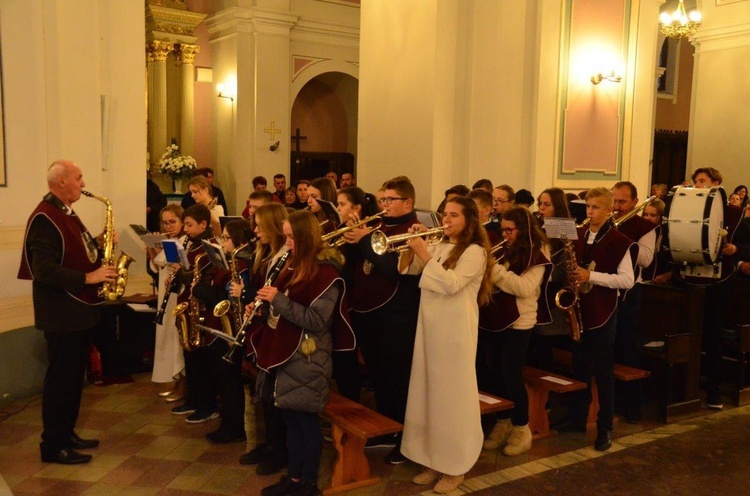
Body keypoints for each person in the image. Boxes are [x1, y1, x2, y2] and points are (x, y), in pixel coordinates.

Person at [18, 160, 118, 465]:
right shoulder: (45, 218)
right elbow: (44, 269)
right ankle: (53, 445)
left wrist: (100, 243)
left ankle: (66, 433)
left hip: (77, 311)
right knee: (61, 380)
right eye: (78, 178)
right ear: (61, 182)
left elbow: (77, 253)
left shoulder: (65, 213)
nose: (83, 184)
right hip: (62, 314)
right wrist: (89, 278)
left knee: (74, 379)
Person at [252, 210, 354, 496]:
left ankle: (308, 483)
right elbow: (283, 307)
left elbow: (317, 321)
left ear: (307, 238)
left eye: (292, 237)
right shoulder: (294, 265)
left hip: (308, 357)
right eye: (285, 236)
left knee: (305, 423)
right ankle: (294, 478)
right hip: (287, 351)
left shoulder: (327, 273)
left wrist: (278, 300)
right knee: (291, 421)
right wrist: (262, 309)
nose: (287, 242)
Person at [399, 196, 493, 494]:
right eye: (445, 214)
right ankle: (433, 459)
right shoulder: (440, 243)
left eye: (454, 215)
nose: (447, 220)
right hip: (430, 327)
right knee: (429, 393)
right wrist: (410, 247)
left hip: (455, 333)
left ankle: (456, 466)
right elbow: (411, 271)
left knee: (452, 399)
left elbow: (451, 284)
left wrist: (425, 254)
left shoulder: (475, 251)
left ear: (469, 220)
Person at [341, 177, 421, 464]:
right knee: (379, 378)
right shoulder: (378, 226)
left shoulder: (412, 231)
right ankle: (387, 429)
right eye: (382, 199)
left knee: (398, 380)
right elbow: (355, 265)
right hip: (368, 313)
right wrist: (352, 236)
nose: (384, 205)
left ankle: (406, 439)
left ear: (408, 202)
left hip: (396, 315)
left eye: (390, 200)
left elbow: (393, 269)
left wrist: (363, 240)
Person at [553, 187, 636, 452]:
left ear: (610, 209)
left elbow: (627, 280)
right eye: (588, 207)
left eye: (596, 207)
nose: (590, 212)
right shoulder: (577, 234)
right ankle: (578, 418)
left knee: (602, 371)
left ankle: (604, 428)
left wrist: (591, 277)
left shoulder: (619, 240)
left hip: (602, 313)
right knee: (579, 367)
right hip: (579, 308)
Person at [655, 167, 746, 409]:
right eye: (695, 181)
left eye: (703, 181)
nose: (697, 185)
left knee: (713, 335)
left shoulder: (735, 214)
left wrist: (735, 250)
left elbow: (747, 246)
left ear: (716, 184)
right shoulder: (683, 207)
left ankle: (714, 390)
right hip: (688, 280)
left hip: (718, 282)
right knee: (687, 335)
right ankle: (684, 389)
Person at [479, 206, 551, 457]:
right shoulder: (505, 248)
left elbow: (524, 288)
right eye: (503, 230)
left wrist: (494, 269)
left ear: (523, 230)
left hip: (520, 321)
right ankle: (503, 422)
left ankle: (522, 428)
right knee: (495, 372)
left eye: (510, 230)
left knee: (511, 374)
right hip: (494, 318)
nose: (505, 235)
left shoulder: (538, 253)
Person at [239, 203, 290, 474]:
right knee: (264, 393)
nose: (256, 230)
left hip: (278, 331)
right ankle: (269, 443)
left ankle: (279, 449)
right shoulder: (267, 254)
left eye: (260, 225)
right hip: (264, 328)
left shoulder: (283, 256)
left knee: (274, 394)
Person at [611, 181, 658, 423]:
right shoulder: (606, 220)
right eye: (614, 201)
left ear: (634, 203)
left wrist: (620, 238)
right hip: (605, 290)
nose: (616, 206)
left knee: (626, 347)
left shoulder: (645, 227)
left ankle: (632, 406)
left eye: (622, 202)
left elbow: (647, 260)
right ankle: (609, 401)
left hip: (630, 293)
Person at [527, 188, 573, 373]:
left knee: (545, 347)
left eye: (547, 204)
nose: (541, 208)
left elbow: (562, 269)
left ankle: (548, 392)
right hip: (536, 293)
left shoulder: (562, 228)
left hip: (552, 296)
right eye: (540, 204)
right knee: (535, 347)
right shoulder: (538, 227)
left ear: (558, 207)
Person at [148, 204, 186, 402]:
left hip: (177, 296)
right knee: (167, 339)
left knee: (177, 340)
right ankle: (174, 380)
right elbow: (157, 268)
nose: (169, 226)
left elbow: (177, 267)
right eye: (165, 222)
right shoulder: (167, 242)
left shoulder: (181, 243)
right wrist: (153, 249)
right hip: (165, 296)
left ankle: (183, 384)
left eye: (173, 222)